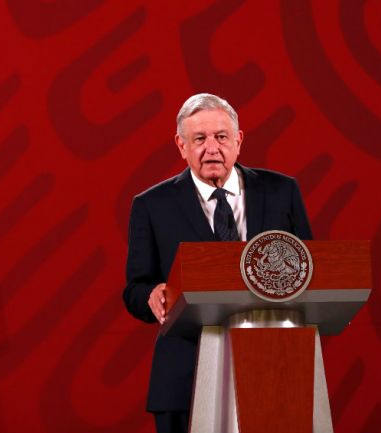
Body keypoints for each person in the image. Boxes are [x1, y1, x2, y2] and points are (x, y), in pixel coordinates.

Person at [122, 93, 313, 433]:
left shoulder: (282, 191)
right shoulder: (152, 205)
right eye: (199, 139)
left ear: (238, 141)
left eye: (221, 137)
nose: (212, 148)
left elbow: (312, 269)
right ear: (181, 145)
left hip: (275, 367)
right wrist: (152, 293)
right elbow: (135, 289)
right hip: (186, 376)